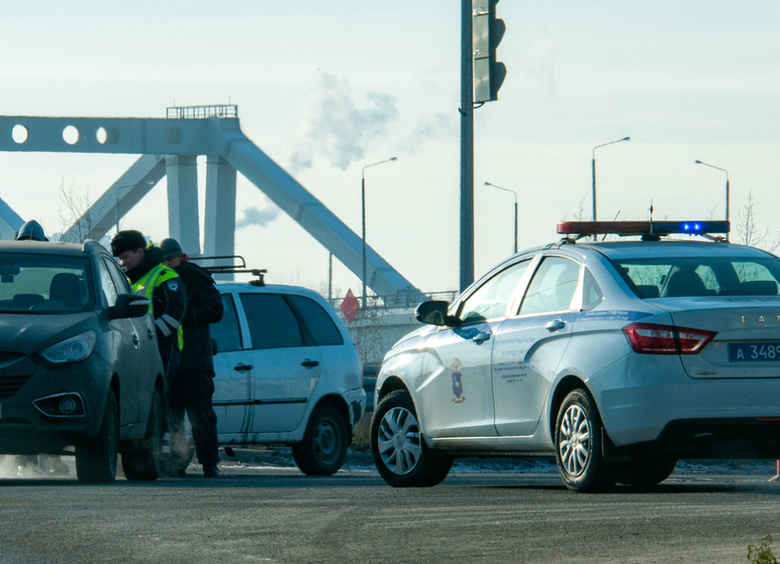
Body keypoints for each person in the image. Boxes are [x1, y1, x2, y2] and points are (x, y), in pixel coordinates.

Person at [110, 230, 187, 467]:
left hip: (164, 348)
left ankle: (165, 458)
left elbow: (176, 312)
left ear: (140, 251)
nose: (124, 262)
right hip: (138, 348)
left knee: (160, 400)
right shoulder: (130, 279)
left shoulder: (164, 275)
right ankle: (148, 455)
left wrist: (152, 337)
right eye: (120, 259)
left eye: (126, 257)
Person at [160, 238, 224, 478]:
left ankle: (210, 464)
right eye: (163, 260)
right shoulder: (159, 279)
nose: (166, 263)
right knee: (172, 417)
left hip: (195, 362)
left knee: (201, 416)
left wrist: (183, 316)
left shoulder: (197, 278)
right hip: (169, 361)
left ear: (179, 256)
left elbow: (216, 309)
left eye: (169, 259)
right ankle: (176, 462)